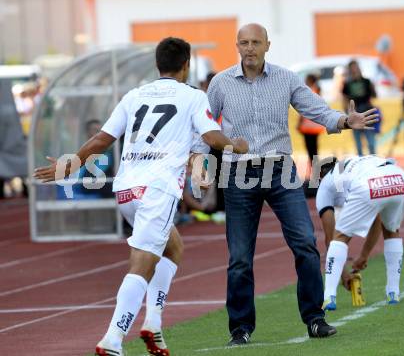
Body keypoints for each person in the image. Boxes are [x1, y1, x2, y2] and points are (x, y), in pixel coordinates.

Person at [34, 37, 248, 356]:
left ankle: (154, 323)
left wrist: (72, 163)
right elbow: (211, 136)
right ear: (186, 65)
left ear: (157, 65)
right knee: (142, 263)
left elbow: (101, 139)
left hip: (127, 190)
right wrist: (237, 145)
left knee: (173, 246)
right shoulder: (192, 95)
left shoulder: (135, 95)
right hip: (157, 189)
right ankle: (114, 339)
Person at [207, 23, 379, 345]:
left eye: (255, 42)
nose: (249, 48)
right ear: (237, 45)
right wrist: (199, 162)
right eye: (243, 42)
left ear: (267, 45)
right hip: (238, 174)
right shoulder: (220, 84)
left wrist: (343, 121)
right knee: (240, 257)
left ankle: (315, 319)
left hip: (280, 171)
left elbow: (314, 108)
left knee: (304, 244)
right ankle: (240, 329)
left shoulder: (285, 78)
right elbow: (203, 126)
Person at [317, 155, 404, 310]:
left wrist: (344, 275)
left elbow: (330, 237)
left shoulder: (325, 185)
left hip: (370, 182)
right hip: (400, 177)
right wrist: (364, 256)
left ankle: (329, 297)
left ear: (320, 176)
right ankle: (393, 292)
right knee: (392, 230)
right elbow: (377, 220)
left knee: (340, 237)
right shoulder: (352, 164)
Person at [342, 60, 377, 155]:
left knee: (371, 143)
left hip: (367, 112)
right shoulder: (347, 83)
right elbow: (344, 98)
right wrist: (346, 113)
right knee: (358, 144)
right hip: (355, 113)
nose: (354, 70)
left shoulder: (366, 81)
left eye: (356, 67)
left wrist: (373, 87)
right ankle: (361, 162)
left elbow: (374, 95)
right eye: (352, 68)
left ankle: (373, 160)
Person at [298, 73, 325, 167]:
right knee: (315, 149)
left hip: (307, 126)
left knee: (310, 150)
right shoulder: (318, 91)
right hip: (316, 125)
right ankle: (316, 169)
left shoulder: (307, 92)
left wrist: (299, 123)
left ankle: (315, 171)